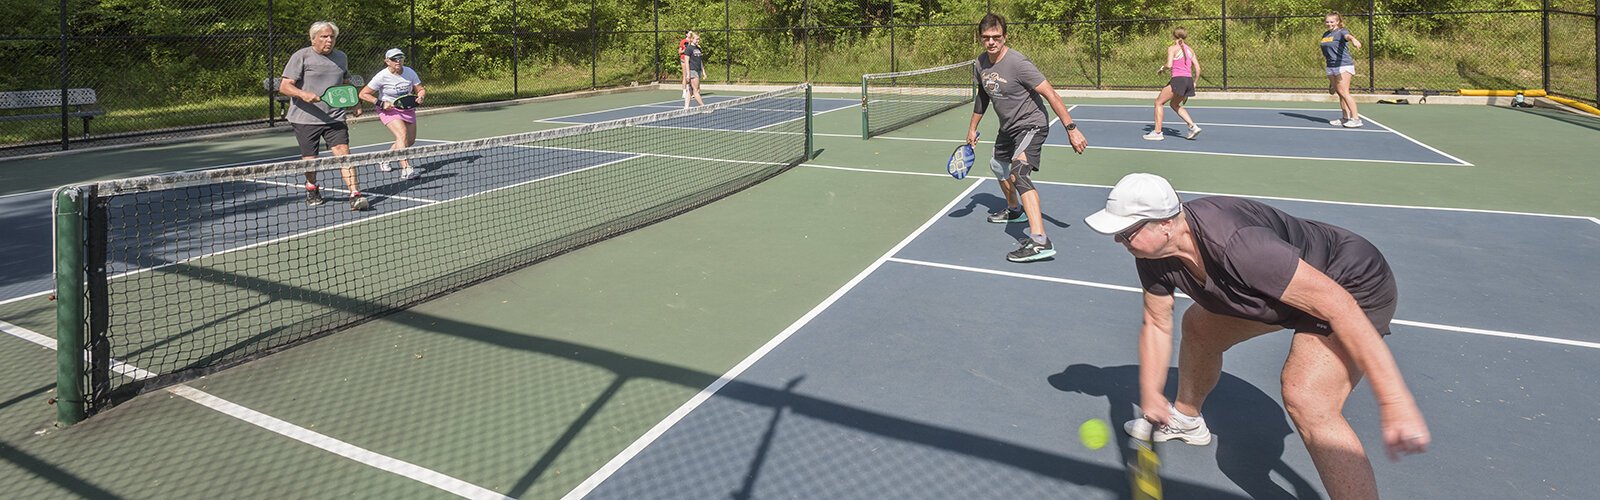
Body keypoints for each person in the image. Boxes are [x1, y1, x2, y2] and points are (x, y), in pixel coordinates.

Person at [1084, 173, 1430, 499]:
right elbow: (1158, 323)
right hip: (1277, 292)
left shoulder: (1239, 246)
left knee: (1307, 398)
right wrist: (1150, 394)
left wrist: (1394, 401)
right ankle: (1187, 419)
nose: (1119, 240)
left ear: (1165, 224)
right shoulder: (1154, 253)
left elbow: (1340, 306)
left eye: (1126, 232)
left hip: (1349, 284)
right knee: (1199, 326)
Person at [965, 13, 1088, 262]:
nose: (991, 42)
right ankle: (1014, 210)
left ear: (1005, 36)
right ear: (980, 39)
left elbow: (1050, 94)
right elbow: (983, 96)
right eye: (986, 38)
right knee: (998, 166)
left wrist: (1071, 128)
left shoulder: (1019, 63)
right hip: (1008, 127)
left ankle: (1040, 241)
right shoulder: (980, 64)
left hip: (1032, 124)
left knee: (1019, 173)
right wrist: (972, 127)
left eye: (996, 37)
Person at [279, 20, 368, 210]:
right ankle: (312, 187)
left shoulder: (341, 57)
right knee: (310, 160)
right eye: (324, 37)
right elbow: (284, 86)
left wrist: (356, 102)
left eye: (332, 37)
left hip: (334, 117)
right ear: (313, 39)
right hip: (305, 118)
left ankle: (355, 194)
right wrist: (303, 94)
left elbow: (345, 82)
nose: (329, 40)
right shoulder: (301, 56)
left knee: (344, 153)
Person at [360, 48, 426, 180]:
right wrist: (380, 103)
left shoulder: (410, 72)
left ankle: (385, 158)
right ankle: (406, 169)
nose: (398, 61)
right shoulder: (381, 76)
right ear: (387, 61)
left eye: (400, 58)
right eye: (394, 59)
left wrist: (421, 96)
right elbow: (363, 94)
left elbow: (420, 89)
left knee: (410, 141)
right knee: (402, 134)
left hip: (407, 108)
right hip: (389, 110)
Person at [1144, 27, 1202, 141]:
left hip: (1178, 79)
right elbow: (1198, 68)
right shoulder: (1190, 50)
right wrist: (1194, 82)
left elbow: (1169, 65)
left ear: (1173, 36)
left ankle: (1157, 132)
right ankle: (1192, 126)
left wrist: (1162, 68)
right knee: (1174, 104)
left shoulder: (1172, 48)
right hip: (1188, 80)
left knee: (1158, 103)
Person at [1322, 12, 1364, 128]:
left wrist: (1354, 40)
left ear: (1337, 22)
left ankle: (1356, 119)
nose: (1329, 24)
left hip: (1343, 65)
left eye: (1332, 21)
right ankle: (1345, 118)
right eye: (1327, 21)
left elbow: (1348, 36)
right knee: (1340, 94)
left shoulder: (1342, 31)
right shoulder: (1325, 34)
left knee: (1344, 93)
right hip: (1330, 66)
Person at [683, 32, 706, 109]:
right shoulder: (689, 49)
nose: (698, 40)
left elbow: (700, 61)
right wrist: (688, 73)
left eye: (699, 39)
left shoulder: (698, 48)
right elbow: (686, 62)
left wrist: (703, 72)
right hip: (692, 70)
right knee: (696, 90)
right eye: (696, 39)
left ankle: (686, 107)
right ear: (692, 39)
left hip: (698, 70)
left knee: (690, 89)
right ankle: (703, 107)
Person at [678, 31, 692, 99]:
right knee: (685, 75)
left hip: (691, 60)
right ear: (686, 34)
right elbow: (679, 52)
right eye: (690, 33)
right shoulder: (683, 41)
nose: (691, 34)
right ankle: (684, 92)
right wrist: (686, 50)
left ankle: (690, 92)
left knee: (690, 76)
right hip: (684, 60)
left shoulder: (693, 41)